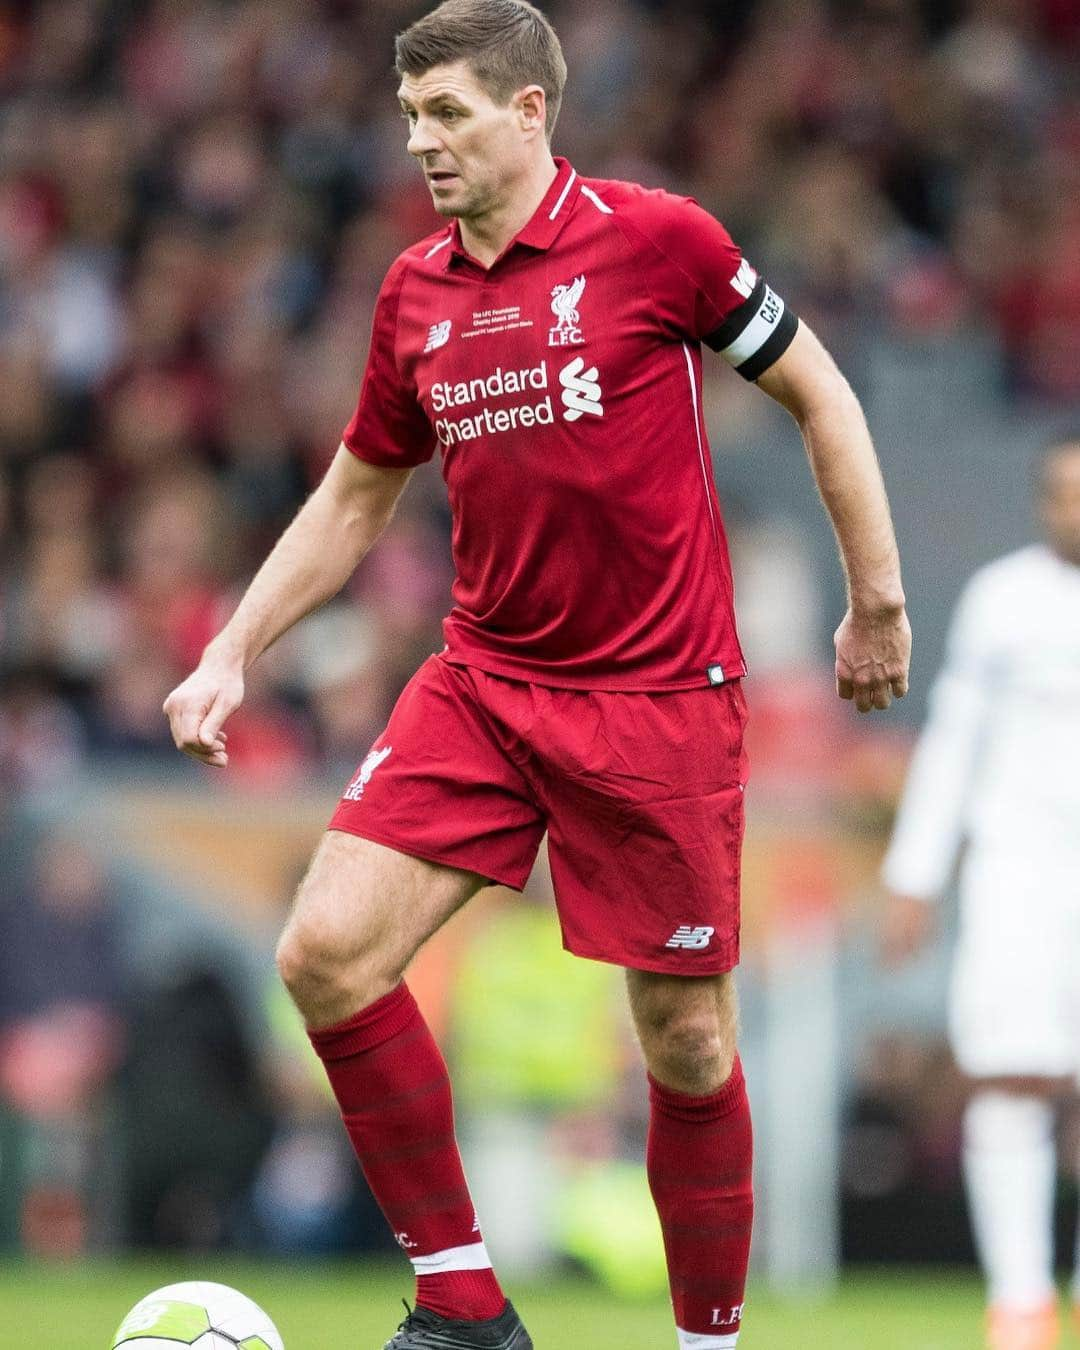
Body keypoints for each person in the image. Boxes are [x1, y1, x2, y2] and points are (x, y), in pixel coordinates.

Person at [164, 2, 910, 1346]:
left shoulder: (661, 243)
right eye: (408, 118)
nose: (421, 141)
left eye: (446, 111)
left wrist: (877, 601)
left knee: (686, 1041)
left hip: (656, 697)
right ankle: (463, 1309)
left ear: (527, 112)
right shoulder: (414, 294)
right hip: (486, 682)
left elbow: (824, 396)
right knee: (327, 950)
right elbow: (352, 499)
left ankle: (708, 1341)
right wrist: (231, 648)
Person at [881, 435, 1080, 1350]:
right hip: (1020, 873)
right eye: (1058, 495)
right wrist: (914, 877)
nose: (1070, 511)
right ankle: (1022, 1301)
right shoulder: (1002, 600)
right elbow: (953, 742)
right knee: (1011, 1072)